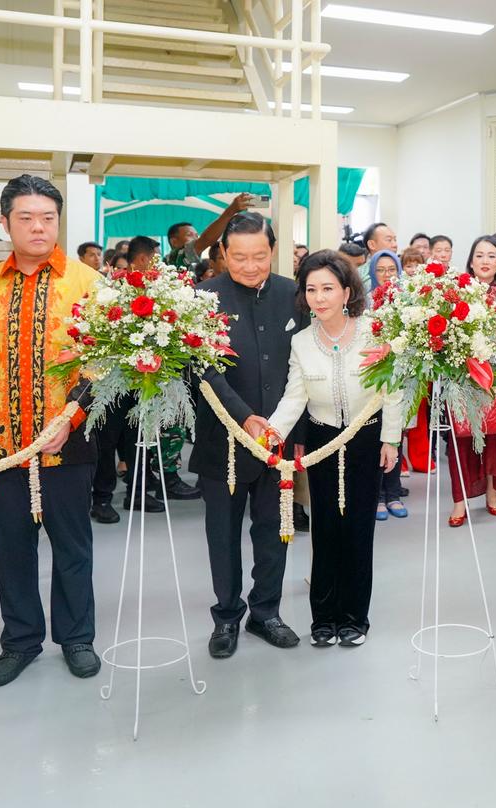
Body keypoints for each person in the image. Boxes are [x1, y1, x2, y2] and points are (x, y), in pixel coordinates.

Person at [0, 174, 102, 686]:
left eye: (48, 218)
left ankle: (77, 638)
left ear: (58, 221)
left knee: (73, 547)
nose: (38, 227)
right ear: (5, 223)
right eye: (26, 218)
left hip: (69, 444)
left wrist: (71, 418)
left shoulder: (87, 282)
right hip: (0, 446)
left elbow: (104, 365)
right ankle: (19, 641)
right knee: (13, 549)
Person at [264, 251, 401, 647]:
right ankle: (323, 619)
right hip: (321, 443)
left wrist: (391, 439)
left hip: (365, 440)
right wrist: (273, 431)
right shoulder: (301, 342)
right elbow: (295, 396)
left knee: (359, 530)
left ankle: (355, 618)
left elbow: (391, 389)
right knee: (324, 530)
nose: (319, 298)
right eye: (311, 290)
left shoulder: (374, 332)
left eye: (327, 288)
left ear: (346, 291)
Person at [192, 212, 303, 658]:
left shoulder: (294, 295)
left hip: (280, 440)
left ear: (272, 250)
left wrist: (284, 426)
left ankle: (266, 612)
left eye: (260, 256)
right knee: (222, 535)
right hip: (222, 440)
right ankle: (226, 616)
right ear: (222, 252)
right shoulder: (201, 299)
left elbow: (303, 367)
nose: (251, 266)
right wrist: (244, 417)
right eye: (239, 257)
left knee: (274, 530)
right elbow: (203, 370)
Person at [446, 236, 496, 527]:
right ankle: (459, 500)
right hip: (461, 376)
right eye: (480, 255)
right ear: (471, 261)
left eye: (492, 256)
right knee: (459, 439)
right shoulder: (456, 292)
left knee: (494, 438)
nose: (485, 261)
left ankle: (492, 491)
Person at [367, 249, 410, 522]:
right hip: (373, 378)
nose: (386, 275)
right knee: (376, 436)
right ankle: (378, 496)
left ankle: (393, 493)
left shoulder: (408, 302)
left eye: (391, 269)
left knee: (395, 434)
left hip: (401, 377)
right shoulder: (365, 300)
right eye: (380, 270)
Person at [163, 193, 259, 272]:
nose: (196, 239)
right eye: (189, 235)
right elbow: (205, 240)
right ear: (174, 241)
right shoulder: (174, 258)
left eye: (196, 235)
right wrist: (231, 210)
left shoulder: (189, 265)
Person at [359, 222, 399, 292]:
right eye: (389, 240)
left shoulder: (404, 270)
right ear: (372, 245)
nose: (395, 245)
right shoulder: (359, 275)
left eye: (395, 240)